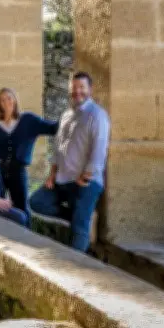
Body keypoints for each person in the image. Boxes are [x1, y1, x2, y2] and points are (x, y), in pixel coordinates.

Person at [29, 72, 109, 252]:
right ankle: (81, 217)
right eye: (74, 87)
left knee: (78, 230)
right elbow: (58, 148)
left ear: (90, 89)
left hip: (85, 183)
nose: (77, 91)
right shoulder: (66, 114)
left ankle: (76, 265)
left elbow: (99, 151)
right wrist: (52, 174)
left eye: (82, 87)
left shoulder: (97, 115)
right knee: (37, 202)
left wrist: (86, 176)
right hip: (62, 180)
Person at [0, 88, 59, 216]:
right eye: (2, 100)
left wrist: (71, 116)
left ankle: (24, 228)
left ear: (15, 100)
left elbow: (53, 128)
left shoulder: (28, 120)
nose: (6, 102)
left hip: (18, 171)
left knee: (22, 207)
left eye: (9, 98)